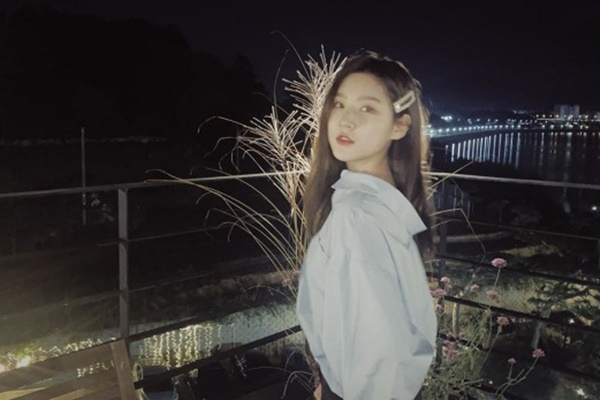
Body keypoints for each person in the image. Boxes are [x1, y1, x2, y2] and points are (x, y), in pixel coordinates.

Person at [296, 50, 438, 400]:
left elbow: (378, 352)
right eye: (340, 104)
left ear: (399, 125)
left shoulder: (357, 215)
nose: (345, 121)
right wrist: (329, 380)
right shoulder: (385, 201)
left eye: (367, 109)